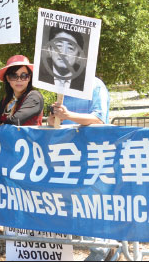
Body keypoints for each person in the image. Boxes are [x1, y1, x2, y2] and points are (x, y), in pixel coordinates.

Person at [48, 76, 111, 261]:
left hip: (93, 155)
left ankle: (102, 250)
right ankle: (101, 249)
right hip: (70, 156)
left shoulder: (96, 85)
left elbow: (99, 118)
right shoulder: (64, 88)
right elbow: (63, 122)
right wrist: (55, 120)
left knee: (92, 204)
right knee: (77, 206)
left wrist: (67, 115)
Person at [0, 55, 44, 127]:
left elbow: (15, 121)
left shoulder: (34, 97)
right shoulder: (7, 99)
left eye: (24, 76)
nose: (19, 80)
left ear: (29, 78)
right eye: (14, 76)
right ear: (8, 78)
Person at [38, 26, 87, 92]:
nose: (63, 53)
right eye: (58, 46)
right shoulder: (37, 73)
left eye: (70, 48)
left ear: (78, 55)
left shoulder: (86, 80)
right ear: (49, 49)